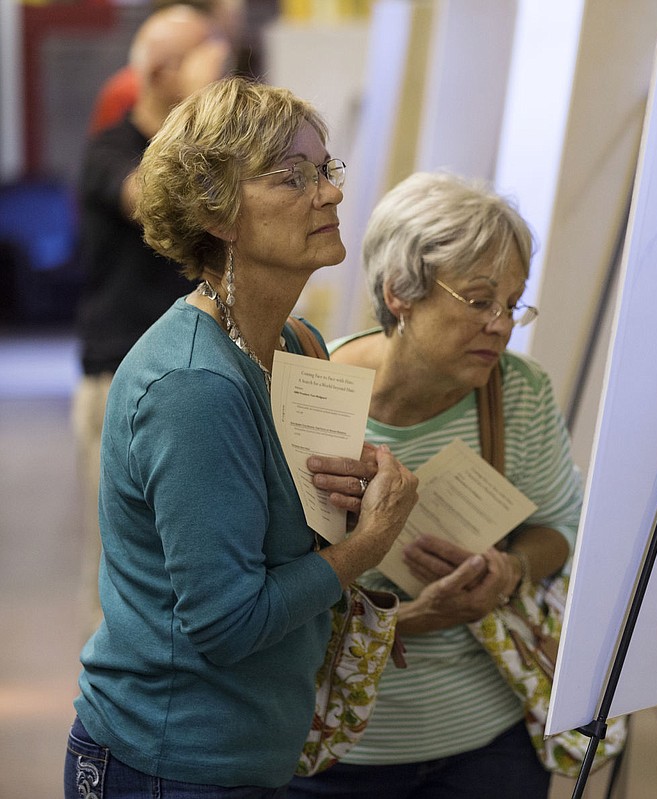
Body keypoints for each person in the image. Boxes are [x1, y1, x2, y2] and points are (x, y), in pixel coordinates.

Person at [65, 76, 422, 796]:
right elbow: (228, 622)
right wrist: (369, 542)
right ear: (218, 213)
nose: (329, 194)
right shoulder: (195, 385)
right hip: (166, 760)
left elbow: (285, 541)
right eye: (293, 177)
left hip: (249, 752)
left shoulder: (296, 343)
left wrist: (346, 505)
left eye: (326, 169)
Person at [288, 172, 583, 799]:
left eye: (513, 303)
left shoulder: (519, 392)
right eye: (479, 301)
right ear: (401, 293)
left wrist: (509, 570)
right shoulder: (313, 395)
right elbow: (260, 586)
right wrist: (403, 620)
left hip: (489, 746)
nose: (502, 326)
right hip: (334, 754)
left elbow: (561, 527)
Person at [71, 2, 231, 631]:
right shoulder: (109, 151)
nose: (218, 58)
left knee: (194, 553)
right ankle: (110, 704)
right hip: (119, 380)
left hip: (199, 378)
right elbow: (152, 199)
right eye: (203, 49)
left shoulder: (208, 161)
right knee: (121, 557)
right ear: (162, 70)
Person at [88, 0, 256, 136]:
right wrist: (200, 100)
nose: (216, 75)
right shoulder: (112, 148)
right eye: (202, 64)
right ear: (158, 74)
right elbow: (167, 176)